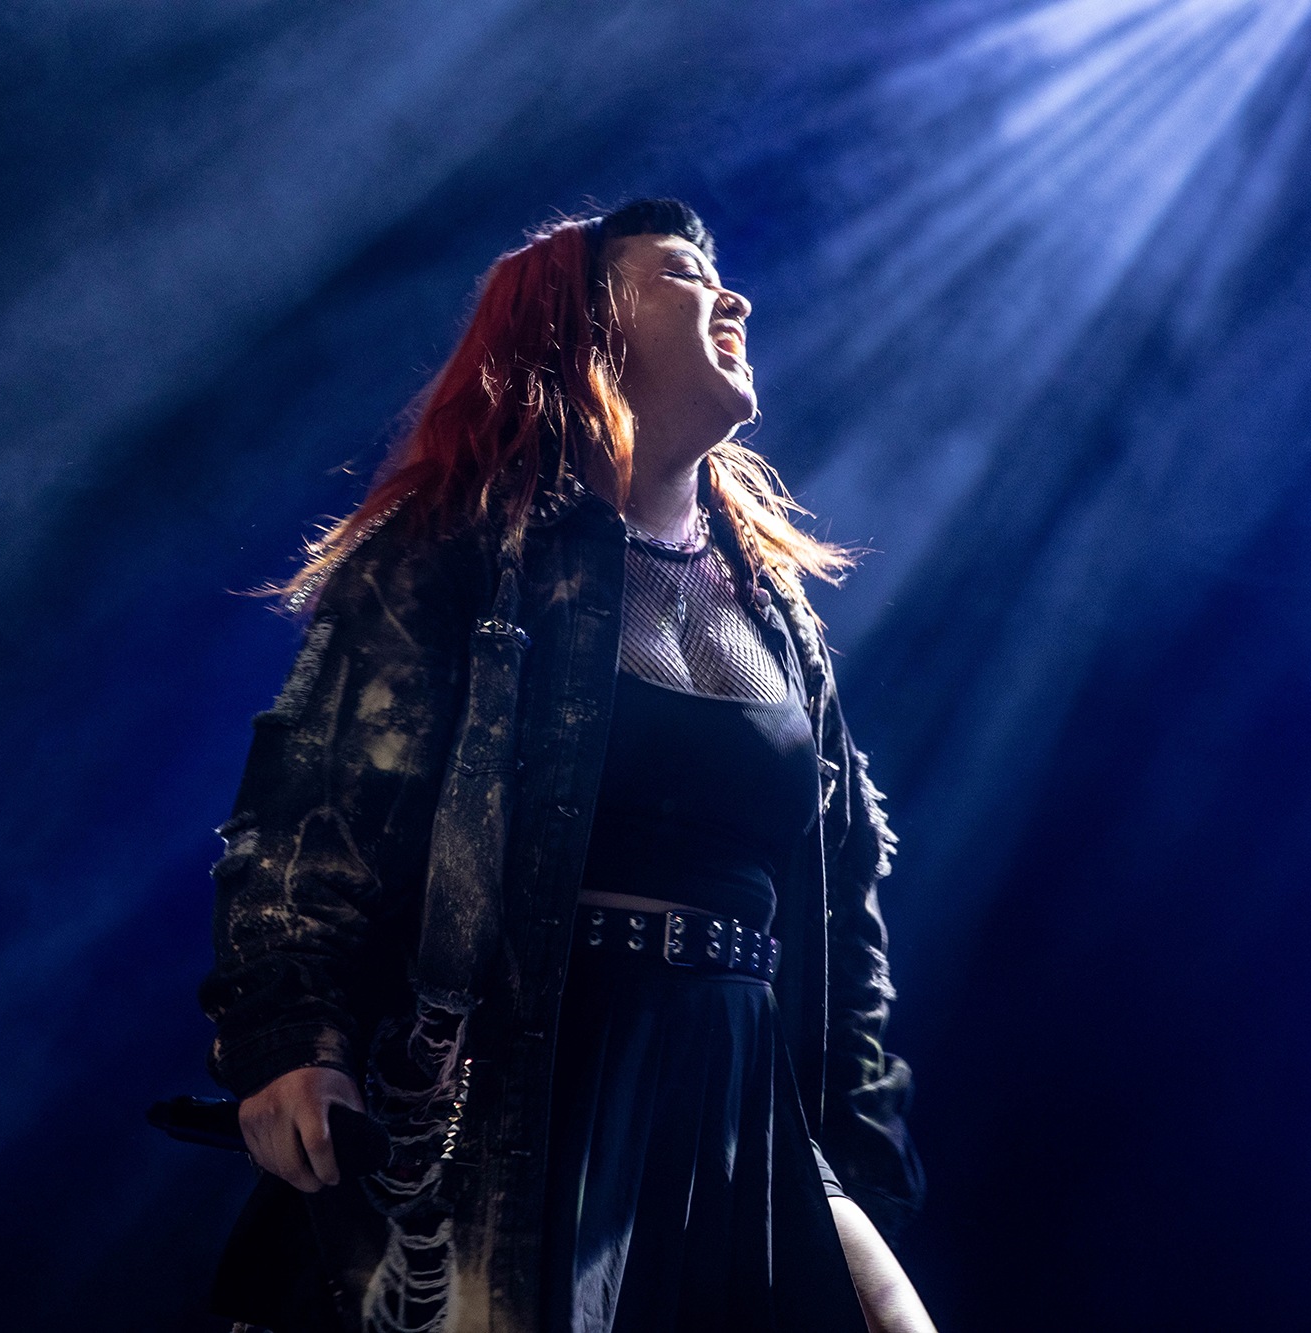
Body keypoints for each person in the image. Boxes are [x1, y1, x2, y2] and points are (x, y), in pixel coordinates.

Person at [199, 199, 933, 1333]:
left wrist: (852, 1129)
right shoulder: (457, 555)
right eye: (683, 274)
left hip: (738, 1084)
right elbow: (313, 812)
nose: (733, 299)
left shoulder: (777, 613)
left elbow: (846, 895)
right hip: (530, 1076)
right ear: (582, 324)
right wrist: (291, 1038)